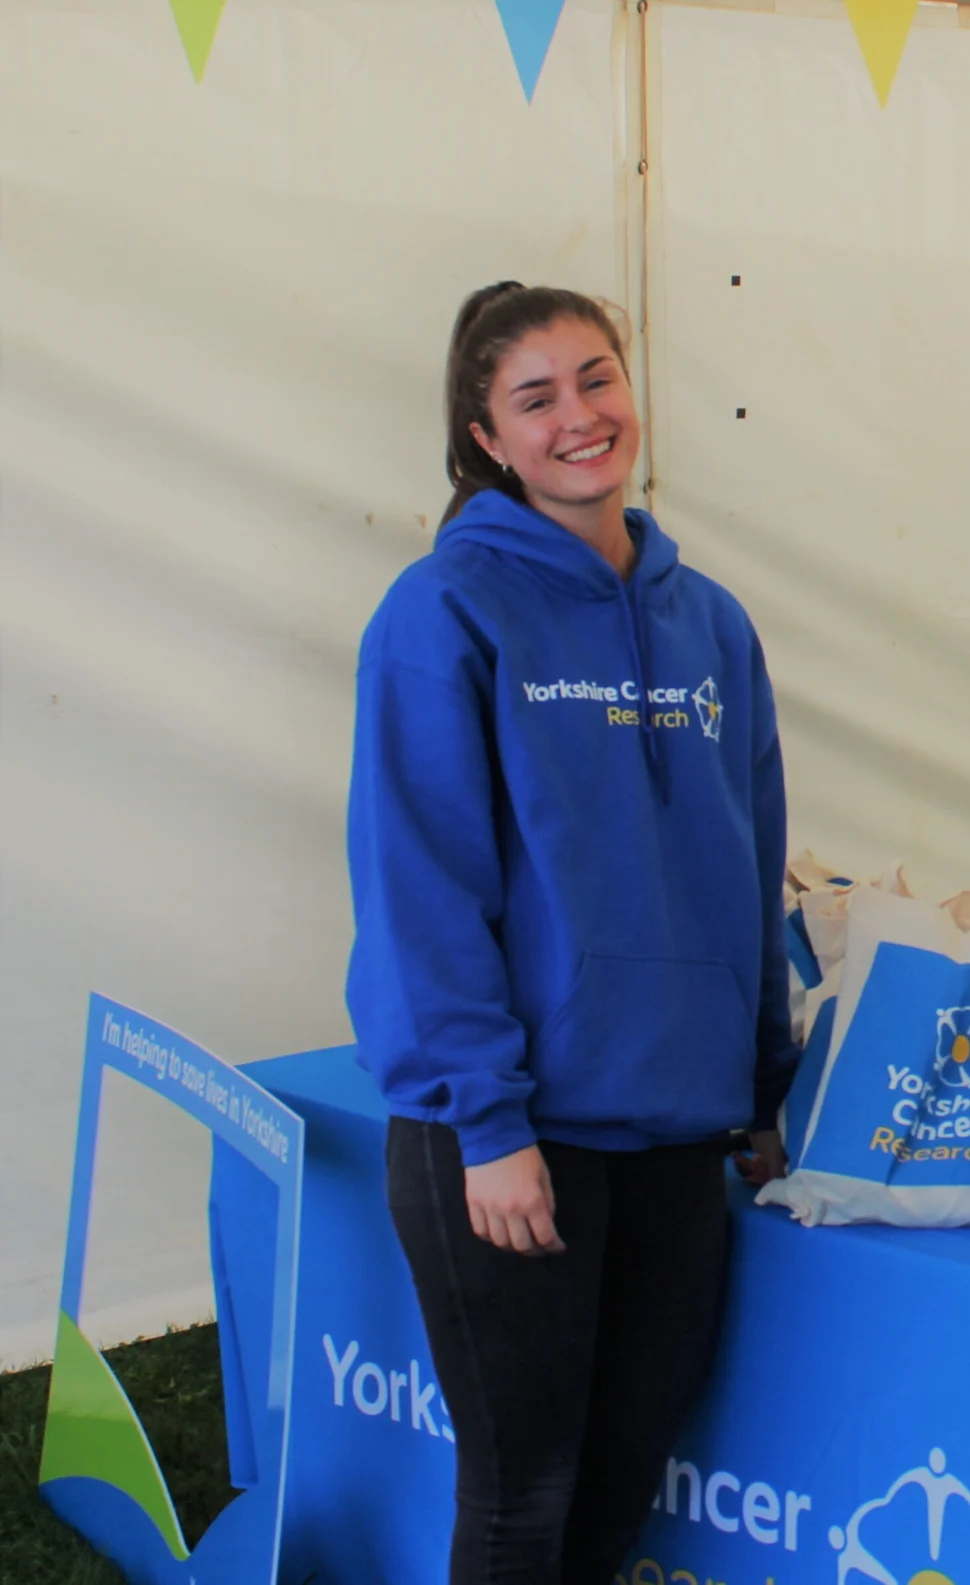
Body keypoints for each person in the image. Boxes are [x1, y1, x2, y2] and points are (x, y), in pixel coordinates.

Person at [346, 282, 795, 1582]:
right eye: (535, 397)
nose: (580, 416)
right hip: (509, 1141)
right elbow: (421, 887)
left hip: (675, 1138)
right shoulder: (444, 613)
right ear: (485, 436)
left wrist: (764, 1084)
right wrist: (488, 1126)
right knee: (521, 1498)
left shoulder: (709, 621)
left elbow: (748, 860)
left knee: (611, 1495)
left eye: (598, 378)